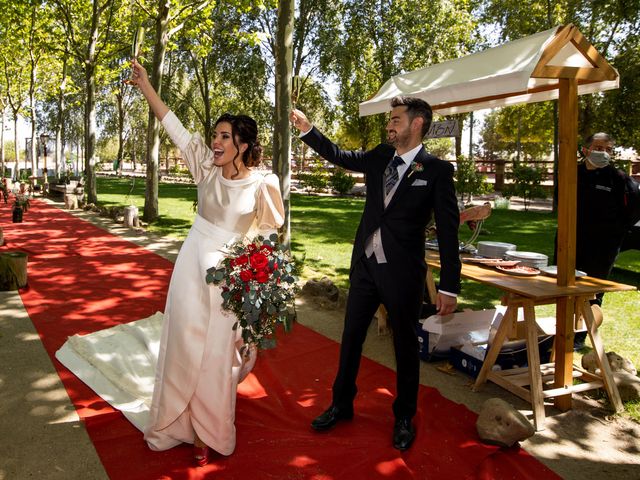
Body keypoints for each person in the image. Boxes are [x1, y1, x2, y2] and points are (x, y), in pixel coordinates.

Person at [129, 59, 285, 466]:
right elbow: (173, 125)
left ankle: (207, 430)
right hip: (188, 271)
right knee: (182, 345)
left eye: (224, 136)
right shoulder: (205, 168)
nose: (215, 142)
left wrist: (257, 287)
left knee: (215, 355)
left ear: (243, 144)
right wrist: (147, 86)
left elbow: (268, 240)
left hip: (228, 282)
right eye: (214, 135)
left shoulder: (263, 184)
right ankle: (174, 423)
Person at [290, 96, 461, 451]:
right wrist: (308, 130)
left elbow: (448, 231)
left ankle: (403, 417)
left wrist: (449, 286)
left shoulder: (437, 172)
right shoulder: (380, 157)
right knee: (351, 337)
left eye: (396, 119)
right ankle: (341, 404)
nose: (389, 125)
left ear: (417, 124)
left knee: (404, 347)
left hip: (402, 275)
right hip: (366, 267)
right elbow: (341, 156)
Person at [575, 132, 630, 313]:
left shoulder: (618, 178)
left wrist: (616, 232)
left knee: (592, 292)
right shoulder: (572, 173)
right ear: (585, 150)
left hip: (603, 246)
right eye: (599, 148)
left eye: (608, 149)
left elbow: (630, 210)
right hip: (573, 240)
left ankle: (581, 336)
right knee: (565, 289)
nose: (604, 153)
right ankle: (561, 333)